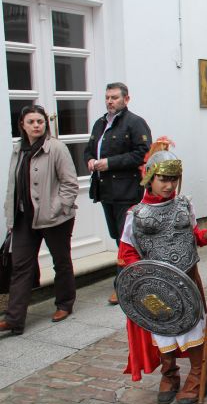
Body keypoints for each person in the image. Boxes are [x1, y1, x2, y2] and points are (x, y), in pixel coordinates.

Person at [117, 143, 207, 404]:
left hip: (187, 278)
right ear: (150, 178)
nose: (169, 185)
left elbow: (193, 237)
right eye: (163, 179)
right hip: (156, 285)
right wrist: (139, 281)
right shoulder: (135, 214)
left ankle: (200, 375)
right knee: (162, 330)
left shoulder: (183, 205)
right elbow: (127, 252)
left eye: (173, 179)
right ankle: (169, 375)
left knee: (192, 329)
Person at [1, 105, 79, 335]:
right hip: (24, 218)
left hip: (55, 218)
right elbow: (12, 186)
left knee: (61, 261)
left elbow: (70, 183)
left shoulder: (56, 148)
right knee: (21, 266)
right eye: (31, 122)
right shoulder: (18, 149)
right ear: (22, 125)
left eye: (40, 121)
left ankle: (65, 304)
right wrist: (10, 215)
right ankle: (14, 320)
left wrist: (56, 209)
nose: (37, 125)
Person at [84, 82, 151, 305]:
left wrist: (109, 163)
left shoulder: (135, 122)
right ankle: (137, 277)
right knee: (117, 237)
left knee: (126, 240)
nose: (110, 101)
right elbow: (88, 149)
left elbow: (142, 153)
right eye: (107, 97)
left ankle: (124, 286)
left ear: (126, 99)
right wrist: (90, 161)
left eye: (114, 97)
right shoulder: (100, 123)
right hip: (106, 191)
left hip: (127, 190)